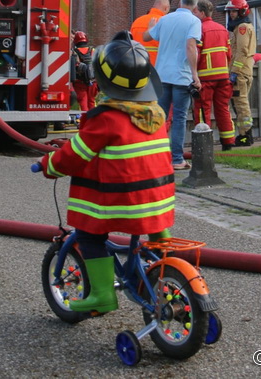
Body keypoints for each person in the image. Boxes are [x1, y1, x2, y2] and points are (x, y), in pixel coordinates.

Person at [37, 31, 173, 314]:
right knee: (155, 225)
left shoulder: (106, 119)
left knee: (89, 236)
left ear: (100, 81)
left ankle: (102, 295)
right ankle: (166, 267)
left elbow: (74, 157)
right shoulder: (156, 115)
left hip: (124, 201)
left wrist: (50, 165)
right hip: (158, 199)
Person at [146, 0, 201, 170]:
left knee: (159, 117)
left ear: (179, 2)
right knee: (179, 118)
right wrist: (195, 75)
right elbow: (191, 46)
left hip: (162, 75)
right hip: (181, 77)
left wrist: (151, 27)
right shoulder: (194, 21)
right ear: (195, 6)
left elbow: (147, 37)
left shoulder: (165, 19)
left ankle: (155, 157)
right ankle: (177, 159)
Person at [191, 0, 235, 150]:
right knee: (223, 109)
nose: (193, 14)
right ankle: (228, 142)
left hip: (205, 78)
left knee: (203, 110)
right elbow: (229, 54)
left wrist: (193, 74)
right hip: (223, 77)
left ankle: (204, 145)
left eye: (195, 11)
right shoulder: (222, 29)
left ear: (202, 13)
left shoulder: (199, 29)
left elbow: (196, 54)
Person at [226, 0, 257, 147]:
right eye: (230, 11)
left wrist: (234, 71)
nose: (231, 14)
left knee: (241, 104)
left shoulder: (242, 28)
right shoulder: (243, 26)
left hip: (240, 73)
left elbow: (242, 51)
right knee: (239, 103)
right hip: (244, 70)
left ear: (242, 11)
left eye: (234, 11)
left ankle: (246, 136)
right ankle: (244, 134)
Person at [129, 0, 169, 66]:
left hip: (138, 64)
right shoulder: (165, 22)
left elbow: (130, 41)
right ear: (166, 8)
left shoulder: (137, 21)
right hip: (157, 65)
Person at [69, 31, 96, 112]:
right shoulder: (93, 50)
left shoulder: (74, 52)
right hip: (93, 81)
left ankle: (84, 118)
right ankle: (93, 118)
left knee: (83, 102)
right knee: (92, 101)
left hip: (79, 82)